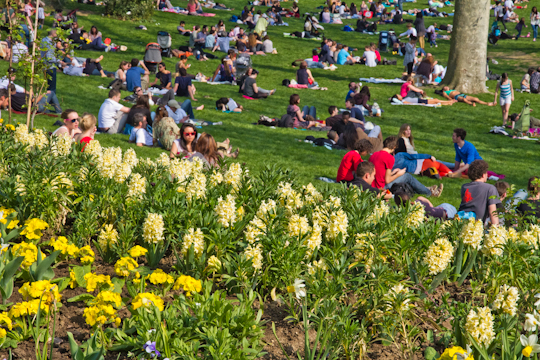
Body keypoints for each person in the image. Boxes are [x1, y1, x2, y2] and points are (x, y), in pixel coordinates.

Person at [369, 136, 443, 197]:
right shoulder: (389, 157)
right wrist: (398, 174)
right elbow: (387, 180)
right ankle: (430, 193)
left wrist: (393, 172)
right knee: (407, 176)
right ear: (394, 147)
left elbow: (380, 173)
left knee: (404, 179)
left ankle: (425, 189)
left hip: (372, 185)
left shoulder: (374, 155)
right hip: (381, 187)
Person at [458, 160, 500, 225]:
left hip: (460, 221)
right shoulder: (490, 188)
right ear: (483, 175)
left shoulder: (465, 187)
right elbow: (493, 212)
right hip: (476, 224)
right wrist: (496, 229)